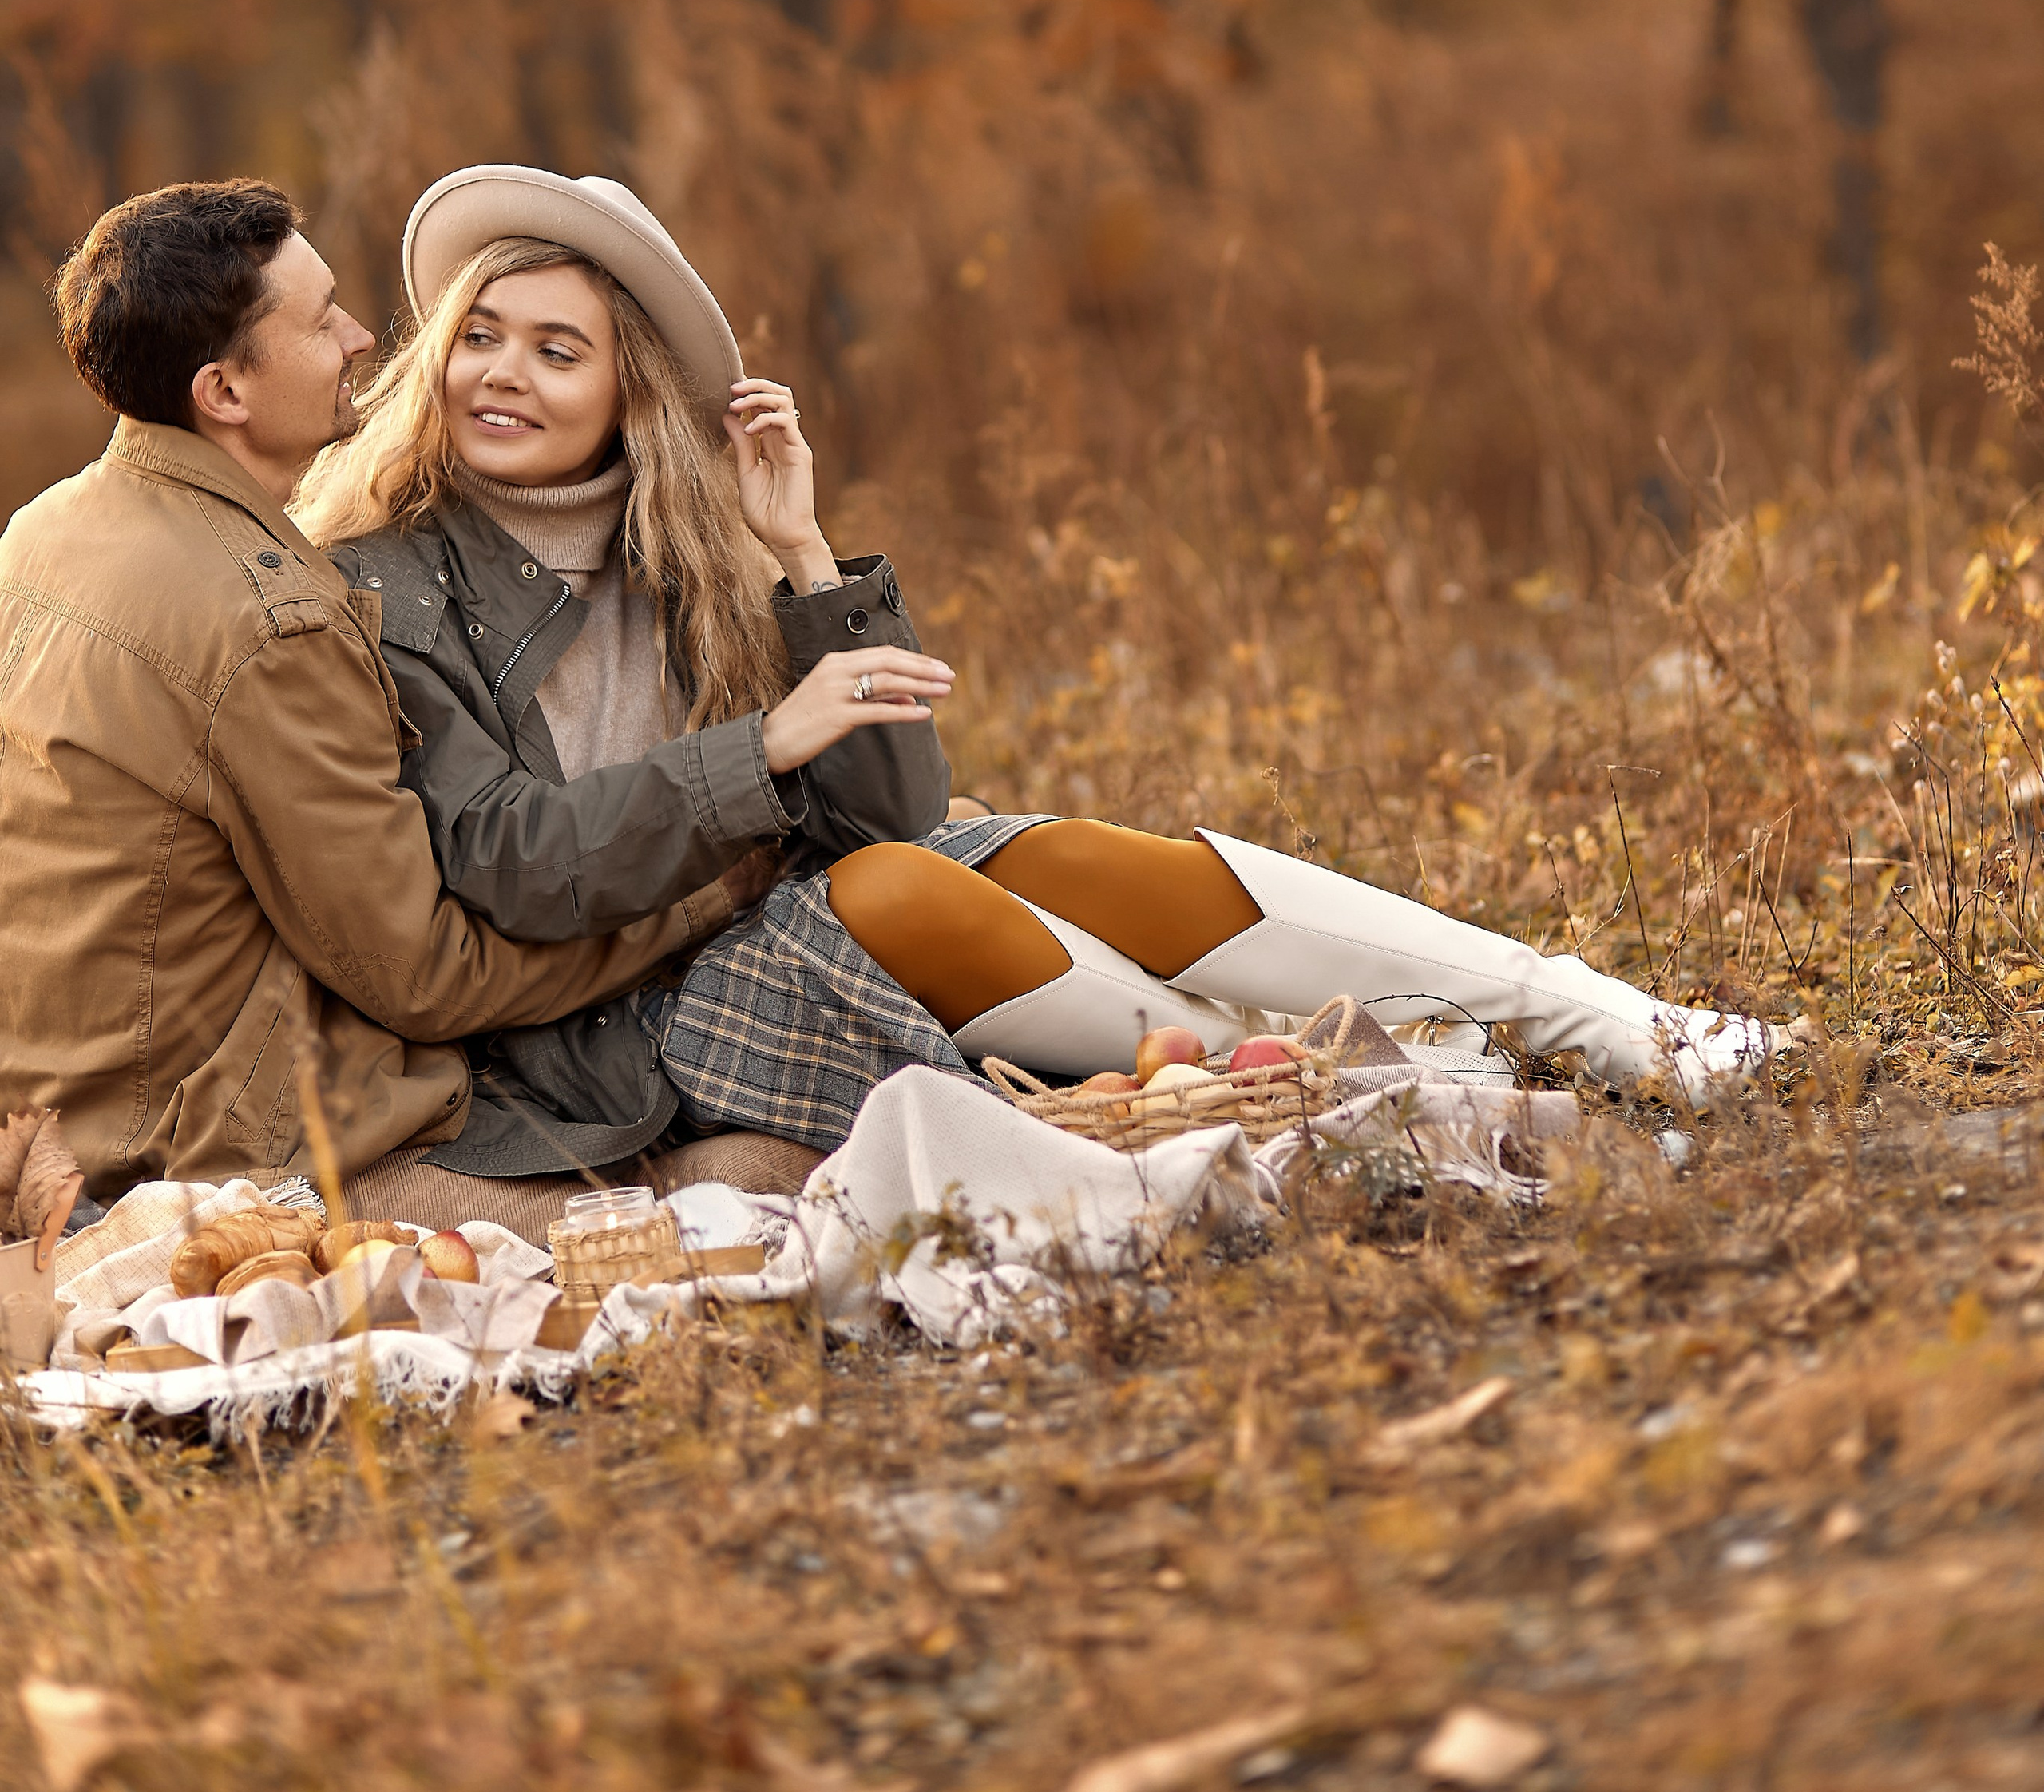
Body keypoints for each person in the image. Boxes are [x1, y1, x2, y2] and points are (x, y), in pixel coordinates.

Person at [297, 165, 1780, 1182]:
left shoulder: (687, 548)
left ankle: (1603, 1020)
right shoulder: (385, 578)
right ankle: (1357, 1094)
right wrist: (762, 752)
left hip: (755, 917)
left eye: (559, 351)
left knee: (1061, 853)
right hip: (606, 1027)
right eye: (480, 336)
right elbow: (500, 861)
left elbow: (883, 806)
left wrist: (807, 564)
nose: (503, 373)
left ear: (628, 394)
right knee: (898, 895)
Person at [0, 180, 753, 1216]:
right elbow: (429, 980)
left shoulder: (49, 527)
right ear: (225, 392)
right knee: (725, 1211)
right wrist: (706, 895)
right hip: (218, 1146)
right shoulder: (277, 620)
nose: (362, 336)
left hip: (64, 1105)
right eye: (319, 323)